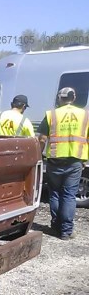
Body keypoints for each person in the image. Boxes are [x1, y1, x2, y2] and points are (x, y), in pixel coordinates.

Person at [38, 87, 89, 240]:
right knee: (69, 195)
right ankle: (66, 231)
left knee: (54, 194)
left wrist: (39, 155)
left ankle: (55, 226)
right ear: (73, 98)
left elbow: (42, 139)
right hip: (75, 161)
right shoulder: (85, 115)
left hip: (54, 161)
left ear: (60, 98)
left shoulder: (51, 114)